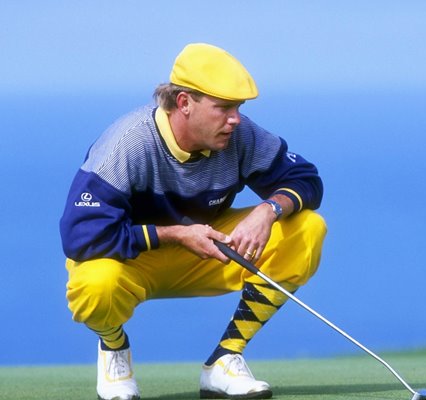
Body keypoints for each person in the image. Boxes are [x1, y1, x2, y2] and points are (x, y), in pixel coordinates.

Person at [59, 43, 327, 400]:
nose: (235, 118)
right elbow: (81, 236)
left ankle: (225, 360)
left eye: (238, 108)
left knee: (306, 228)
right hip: (132, 261)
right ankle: (114, 349)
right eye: (223, 108)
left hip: (208, 249)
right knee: (94, 285)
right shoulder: (126, 144)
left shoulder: (239, 135)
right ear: (184, 103)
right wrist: (176, 234)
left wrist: (268, 210)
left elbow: (306, 179)